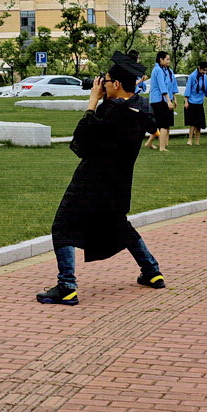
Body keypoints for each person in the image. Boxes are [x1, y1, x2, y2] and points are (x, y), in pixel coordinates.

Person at [38, 51, 164, 305]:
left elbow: (81, 145)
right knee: (119, 224)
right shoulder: (141, 108)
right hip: (119, 183)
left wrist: (91, 103)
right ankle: (152, 271)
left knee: (62, 226)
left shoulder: (112, 113)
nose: (101, 84)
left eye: (105, 81)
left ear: (116, 84)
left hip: (91, 181)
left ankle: (67, 286)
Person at [143, 51, 178, 151]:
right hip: (158, 100)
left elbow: (171, 85)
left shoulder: (167, 70)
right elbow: (162, 86)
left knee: (162, 123)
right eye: (167, 59)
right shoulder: (158, 70)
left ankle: (149, 143)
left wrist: (173, 98)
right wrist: (168, 100)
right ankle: (162, 147)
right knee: (163, 124)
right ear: (161, 59)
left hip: (165, 99)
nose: (169, 61)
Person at [182, 61, 207, 146]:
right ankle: (190, 139)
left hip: (200, 102)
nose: (204, 72)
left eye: (206, 70)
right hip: (192, 101)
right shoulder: (192, 76)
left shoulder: (204, 77)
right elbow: (188, 89)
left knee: (199, 123)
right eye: (203, 70)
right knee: (192, 123)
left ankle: (197, 141)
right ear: (199, 68)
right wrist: (186, 101)